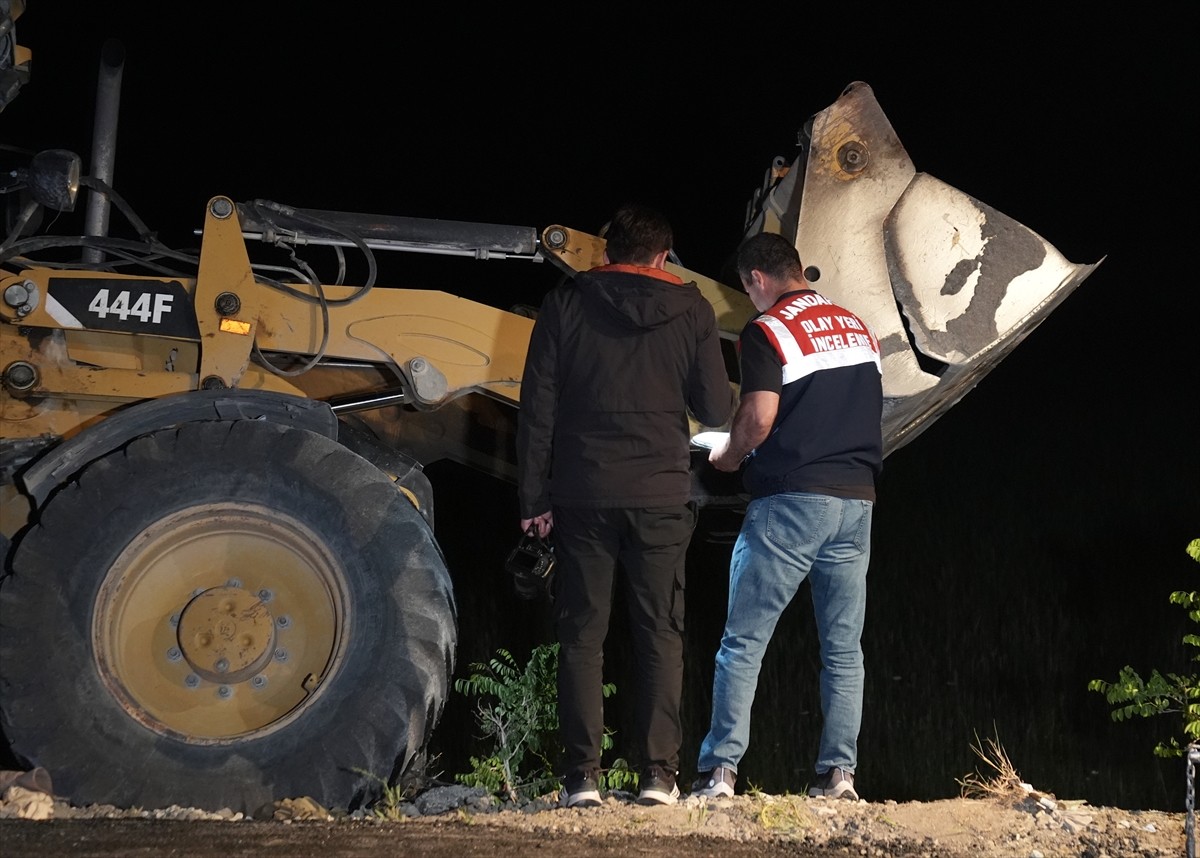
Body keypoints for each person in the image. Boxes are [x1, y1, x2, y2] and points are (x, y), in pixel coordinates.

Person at [516, 203, 735, 808]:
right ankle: (657, 777)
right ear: (663, 256)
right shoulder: (691, 308)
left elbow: (538, 408)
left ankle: (581, 778)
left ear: (608, 250)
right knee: (660, 634)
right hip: (662, 495)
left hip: (582, 494)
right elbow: (716, 409)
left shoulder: (565, 302)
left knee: (582, 636)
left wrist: (533, 497)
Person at [691, 231, 883, 803]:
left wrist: (727, 454)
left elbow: (759, 418)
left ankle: (720, 773)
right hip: (858, 501)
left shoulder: (768, 329)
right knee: (844, 650)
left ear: (756, 279)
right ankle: (838, 776)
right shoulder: (857, 326)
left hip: (792, 503)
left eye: (746, 288)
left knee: (743, 643)